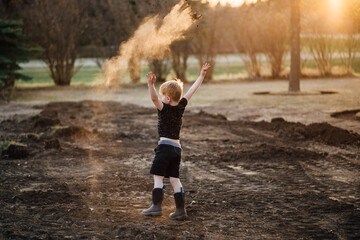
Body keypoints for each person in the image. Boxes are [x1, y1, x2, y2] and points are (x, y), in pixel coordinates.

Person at [142, 63, 211, 220]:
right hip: (176, 149)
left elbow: (153, 98)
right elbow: (192, 90)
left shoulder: (164, 108)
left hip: (164, 147)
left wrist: (150, 84)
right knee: (174, 178)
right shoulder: (180, 107)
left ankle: (156, 207)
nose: (160, 98)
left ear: (167, 98)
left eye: (162, 96)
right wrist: (201, 76)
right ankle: (180, 210)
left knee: (158, 176)